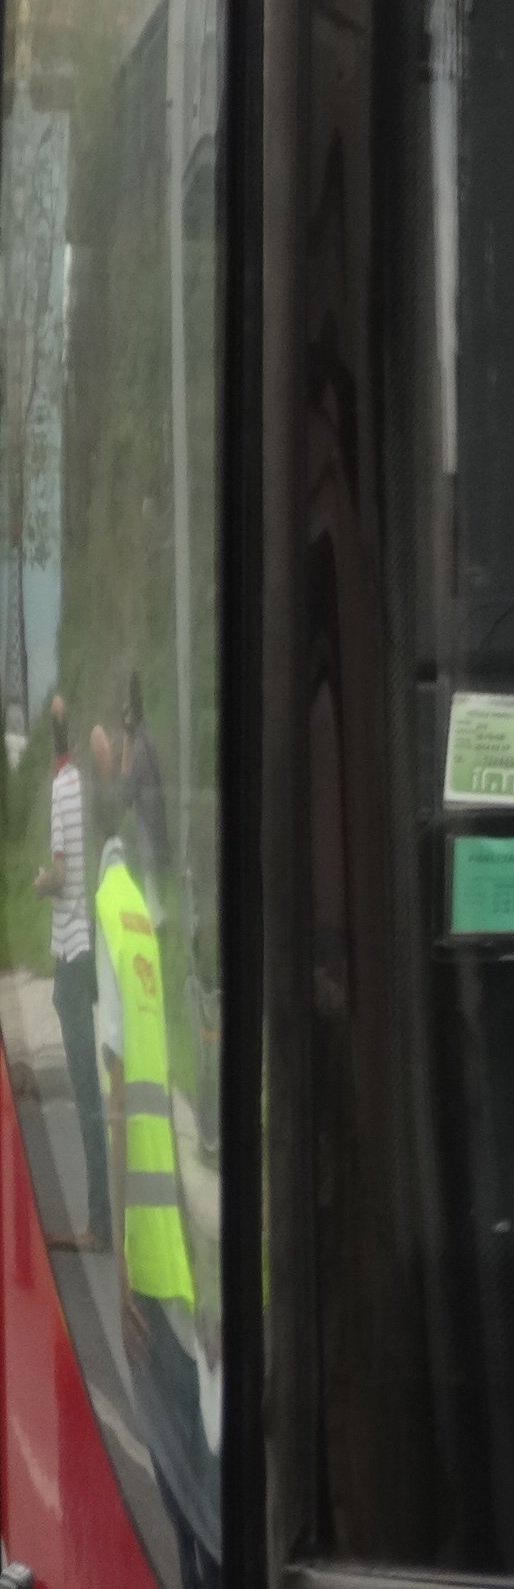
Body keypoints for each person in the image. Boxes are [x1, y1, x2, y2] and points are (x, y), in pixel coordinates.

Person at [95, 805, 219, 1583]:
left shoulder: (117, 911)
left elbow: (120, 1102)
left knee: (194, 1506)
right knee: (212, 1487)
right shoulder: (181, 915)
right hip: (209, 1263)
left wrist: (118, 1265)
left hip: (166, 1267)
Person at [30, 693, 108, 1249]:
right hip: (89, 945)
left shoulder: (60, 790)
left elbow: (59, 875)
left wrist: (41, 885)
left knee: (85, 1094)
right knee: (91, 1090)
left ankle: (97, 1225)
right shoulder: (83, 786)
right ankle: (103, 1215)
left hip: (71, 948)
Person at [118, 671, 173, 923]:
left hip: (148, 826)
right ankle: (157, 913)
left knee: (150, 876)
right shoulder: (149, 738)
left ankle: (156, 918)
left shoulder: (139, 747)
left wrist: (125, 745)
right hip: (156, 818)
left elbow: (126, 795)